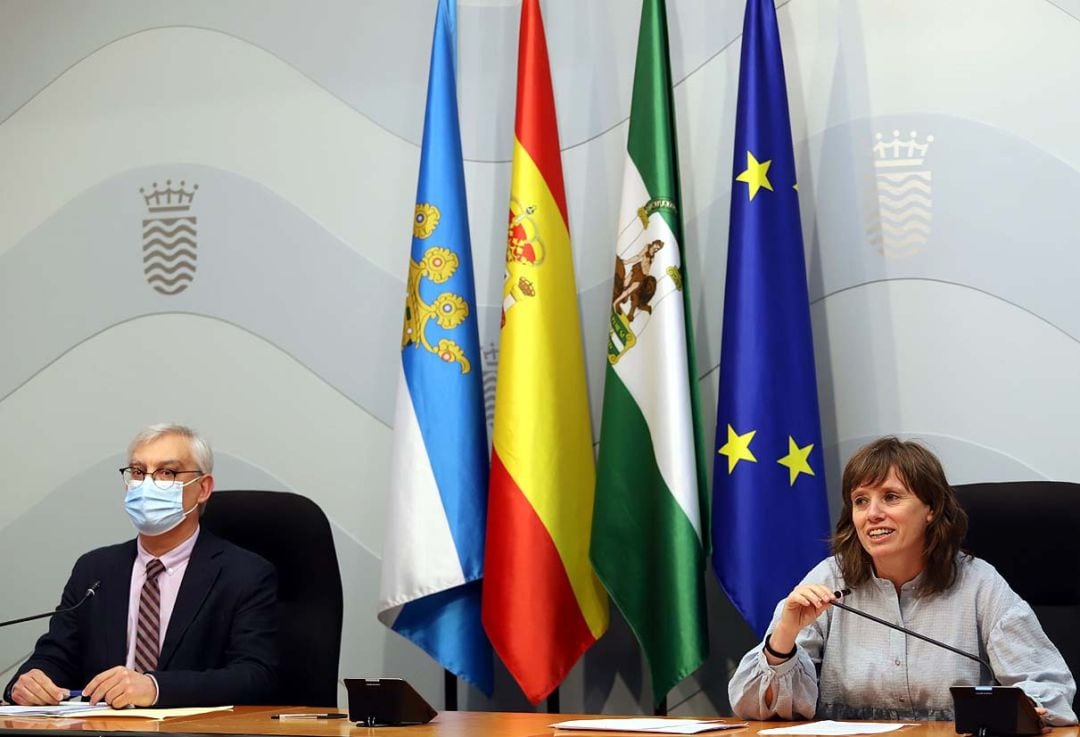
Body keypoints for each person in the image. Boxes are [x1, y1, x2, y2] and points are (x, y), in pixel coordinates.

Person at [728, 436, 1077, 724]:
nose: (873, 513)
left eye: (891, 497)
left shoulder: (977, 584)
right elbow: (752, 708)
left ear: (931, 508)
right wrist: (784, 635)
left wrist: (1029, 711)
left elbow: (1047, 689)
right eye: (860, 501)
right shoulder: (830, 578)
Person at [4, 424, 278, 708]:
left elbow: (255, 676)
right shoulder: (94, 570)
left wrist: (155, 688)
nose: (147, 484)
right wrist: (27, 683)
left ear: (203, 488)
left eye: (166, 473)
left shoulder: (245, 574)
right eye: (137, 472)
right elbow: (54, 657)